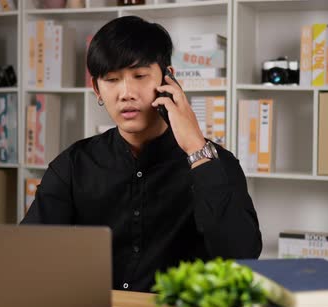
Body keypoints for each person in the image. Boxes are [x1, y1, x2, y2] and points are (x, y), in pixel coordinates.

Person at [21, 15, 262, 292]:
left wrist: (196, 149)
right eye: (112, 79)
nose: (126, 93)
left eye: (139, 76)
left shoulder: (215, 161)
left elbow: (242, 256)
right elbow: (30, 253)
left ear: (168, 78)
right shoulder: (74, 166)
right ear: (97, 89)